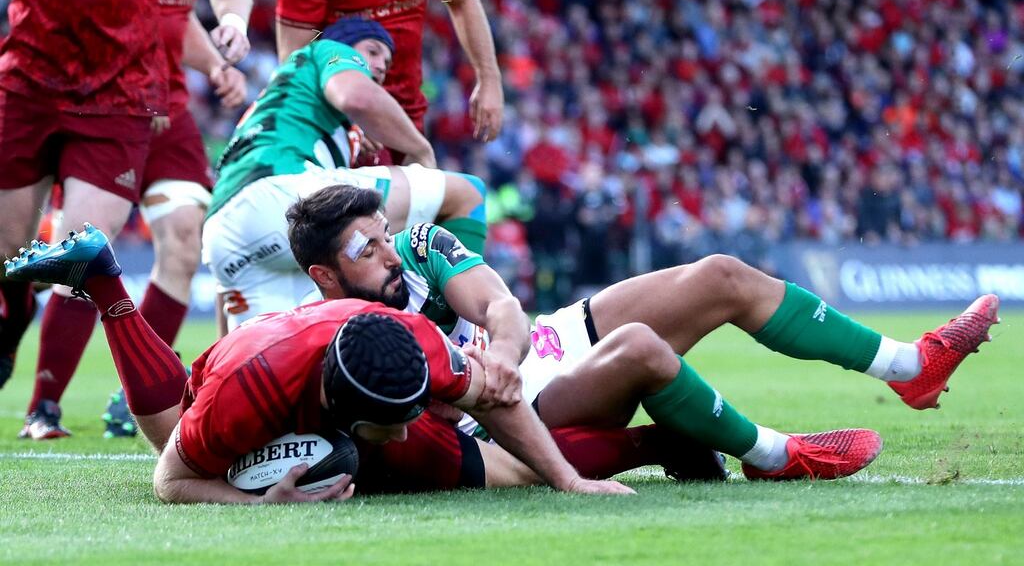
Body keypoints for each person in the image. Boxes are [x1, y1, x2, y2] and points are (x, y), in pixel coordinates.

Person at [285, 184, 1001, 480]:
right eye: (364, 249)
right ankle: (777, 456)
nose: (386, 252)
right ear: (323, 275)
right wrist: (488, 387)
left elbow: (501, 305)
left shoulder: (415, 244)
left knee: (722, 273)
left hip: (541, 350)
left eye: (381, 237)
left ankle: (910, 366)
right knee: (642, 353)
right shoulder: (332, 328)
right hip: (518, 419)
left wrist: (503, 352)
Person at [3, 226, 633, 503]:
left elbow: (497, 401)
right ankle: (109, 285)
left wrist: (568, 482)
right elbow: (171, 481)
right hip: (246, 371)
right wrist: (259, 508)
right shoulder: (251, 391)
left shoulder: (412, 338)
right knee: (175, 439)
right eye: (396, 419)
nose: (409, 426)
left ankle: (105, 280)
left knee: (508, 464)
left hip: (262, 358)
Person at [11, 0, 251, 442]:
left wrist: (216, 65)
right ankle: (44, 406)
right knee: (81, 248)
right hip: (106, 107)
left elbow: (177, 22)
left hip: (169, 121)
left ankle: (135, 392)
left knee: (184, 240)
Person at [204, 18, 488, 334]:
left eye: (387, 60)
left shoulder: (281, 111)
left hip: (222, 236)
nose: (381, 65)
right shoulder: (327, 49)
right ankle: (464, 343)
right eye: (373, 51)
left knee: (270, 363)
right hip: (280, 193)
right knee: (466, 193)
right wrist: (420, 151)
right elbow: (355, 96)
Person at [275, 0, 504, 157]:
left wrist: (489, 78)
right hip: (340, 121)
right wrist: (347, 120)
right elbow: (295, 59)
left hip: (407, 111)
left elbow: (461, 0)